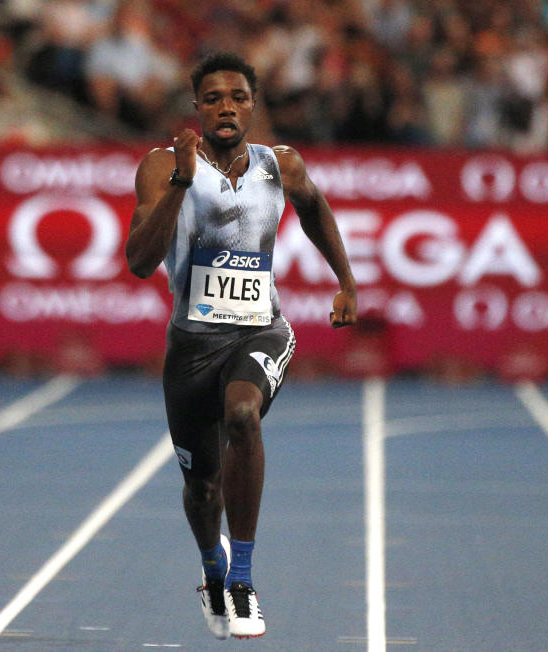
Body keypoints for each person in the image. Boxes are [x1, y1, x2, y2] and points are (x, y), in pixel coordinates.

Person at [126, 51, 357, 639]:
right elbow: (139, 261)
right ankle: (213, 568)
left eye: (238, 97)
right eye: (213, 98)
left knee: (242, 414)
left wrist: (346, 280)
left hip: (260, 329)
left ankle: (243, 579)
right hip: (190, 346)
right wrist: (181, 180)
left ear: (253, 106)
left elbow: (315, 209)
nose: (226, 106)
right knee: (201, 488)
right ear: (197, 108)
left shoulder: (281, 165)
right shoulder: (162, 166)